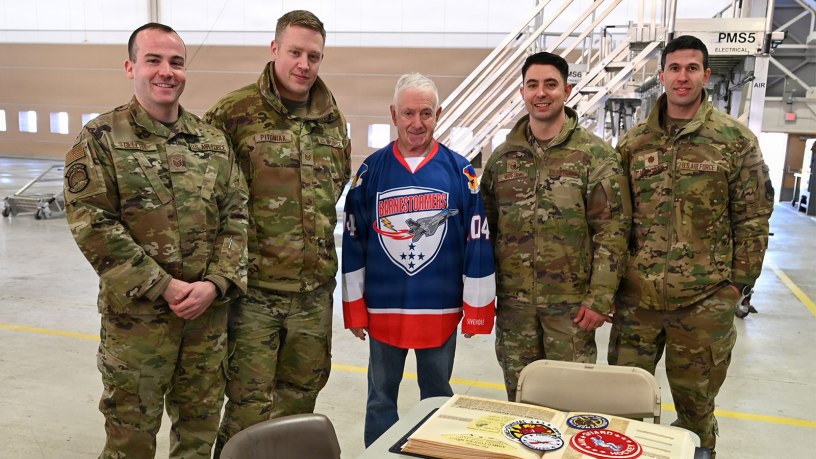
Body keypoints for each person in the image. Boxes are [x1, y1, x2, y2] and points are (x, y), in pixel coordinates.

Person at [63, 23, 249, 459]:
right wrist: (163, 285)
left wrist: (215, 283)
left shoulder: (213, 142)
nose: (166, 71)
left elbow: (237, 217)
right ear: (131, 67)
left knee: (198, 441)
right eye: (154, 60)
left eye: (176, 62)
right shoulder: (100, 139)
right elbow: (92, 223)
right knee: (130, 442)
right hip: (137, 329)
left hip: (206, 325)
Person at [608, 35, 774, 456]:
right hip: (637, 302)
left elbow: (753, 217)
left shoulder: (735, 140)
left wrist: (737, 285)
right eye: (675, 69)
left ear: (706, 75)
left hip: (704, 303)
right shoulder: (633, 144)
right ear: (661, 75)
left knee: (696, 410)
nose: (683, 77)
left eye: (692, 68)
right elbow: (614, 219)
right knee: (624, 407)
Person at [203, 9, 351, 455]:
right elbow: (209, 199)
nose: (304, 64)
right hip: (254, 296)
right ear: (274, 50)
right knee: (247, 410)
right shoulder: (233, 113)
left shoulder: (331, 118)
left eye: (314, 55)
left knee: (299, 405)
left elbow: (336, 183)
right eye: (295, 52)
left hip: (312, 296)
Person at [342, 73, 496, 447]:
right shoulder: (370, 172)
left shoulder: (461, 171)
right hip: (383, 311)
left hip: (440, 312)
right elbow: (354, 242)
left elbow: (477, 242)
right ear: (393, 114)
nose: (416, 122)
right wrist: (354, 308)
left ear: (438, 113)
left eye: (426, 113)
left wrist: (477, 309)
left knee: (438, 398)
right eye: (408, 113)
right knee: (380, 398)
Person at [481, 52, 631, 401]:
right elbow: (484, 231)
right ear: (522, 92)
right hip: (515, 308)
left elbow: (613, 231)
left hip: (572, 310)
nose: (541, 93)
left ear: (567, 90)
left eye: (550, 84)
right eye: (532, 85)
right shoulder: (503, 159)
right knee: (520, 400)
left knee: (572, 401)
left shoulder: (595, 156)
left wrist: (599, 299)